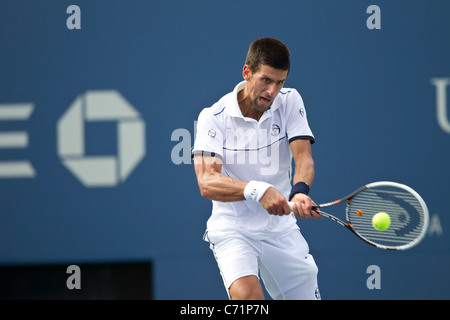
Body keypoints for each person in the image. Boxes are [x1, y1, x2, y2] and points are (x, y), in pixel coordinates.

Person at [192, 38, 321, 300]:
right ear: (247, 73)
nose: (272, 91)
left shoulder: (290, 101)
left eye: (280, 82)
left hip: (281, 229)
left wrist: (299, 192)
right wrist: (258, 190)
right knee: (248, 299)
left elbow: (304, 157)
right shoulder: (213, 117)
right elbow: (207, 182)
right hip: (233, 229)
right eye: (266, 80)